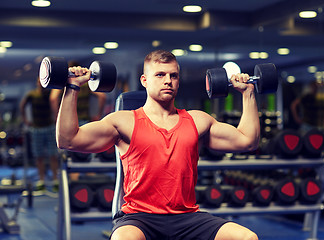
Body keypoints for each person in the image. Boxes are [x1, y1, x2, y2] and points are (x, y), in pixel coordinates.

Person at [56, 50, 259, 240]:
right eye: (160, 75)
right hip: (140, 218)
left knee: (248, 238)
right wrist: (72, 87)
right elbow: (68, 140)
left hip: (187, 218)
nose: (168, 81)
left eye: (174, 76)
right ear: (144, 80)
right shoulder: (124, 121)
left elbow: (247, 141)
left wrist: (248, 93)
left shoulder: (197, 121)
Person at [20, 77, 59, 192]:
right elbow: (22, 106)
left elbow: (55, 103)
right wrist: (25, 119)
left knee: (53, 155)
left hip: (49, 127)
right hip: (36, 129)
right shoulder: (31, 95)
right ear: (38, 83)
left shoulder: (50, 94)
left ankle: (55, 180)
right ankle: (41, 180)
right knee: (39, 156)